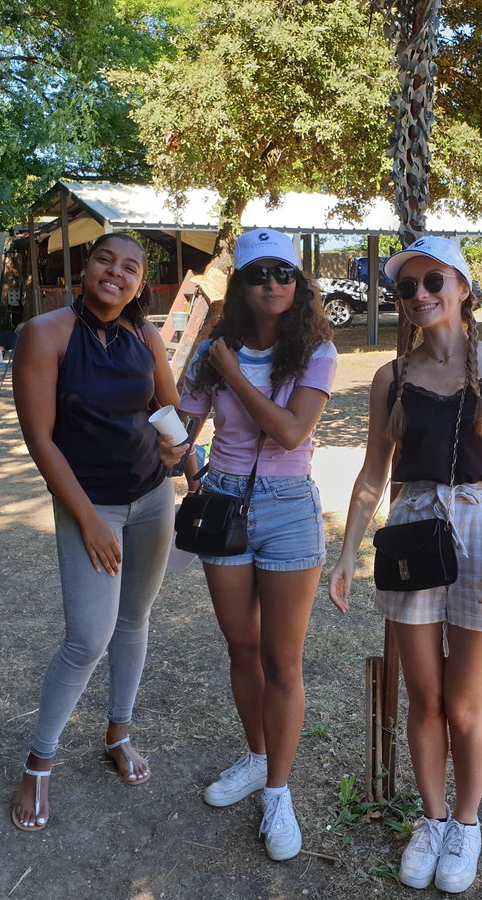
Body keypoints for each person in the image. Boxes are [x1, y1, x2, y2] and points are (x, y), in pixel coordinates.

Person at [328, 235, 482, 893]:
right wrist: (346, 554)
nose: (419, 295)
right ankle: (433, 818)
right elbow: (372, 474)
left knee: (464, 706)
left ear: (463, 288)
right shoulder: (391, 378)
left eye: (432, 281)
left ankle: (467, 826)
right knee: (424, 701)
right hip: (414, 531)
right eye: (407, 287)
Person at [10, 232, 188, 832]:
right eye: (105, 260)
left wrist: (176, 450)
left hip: (151, 499)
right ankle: (39, 762)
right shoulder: (46, 334)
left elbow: (168, 407)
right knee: (88, 637)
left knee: (134, 623)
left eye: (131, 267)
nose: (117, 273)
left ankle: (119, 734)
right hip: (91, 505)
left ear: (141, 282)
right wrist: (87, 518)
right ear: (85, 268)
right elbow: (40, 438)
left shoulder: (145, 334)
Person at [177, 228, 336, 861]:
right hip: (222, 502)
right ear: (239, 285)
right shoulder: (211, 351)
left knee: (284, 659)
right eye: (258, 274)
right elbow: (184, 428)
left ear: (299, 285)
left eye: (284, 274)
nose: (272, 284)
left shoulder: (316, 350)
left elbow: (292, 433)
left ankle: (278, 792)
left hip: (290, 508)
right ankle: (255, 754)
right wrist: (177, 451)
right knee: (242, 647)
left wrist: (232, 376)